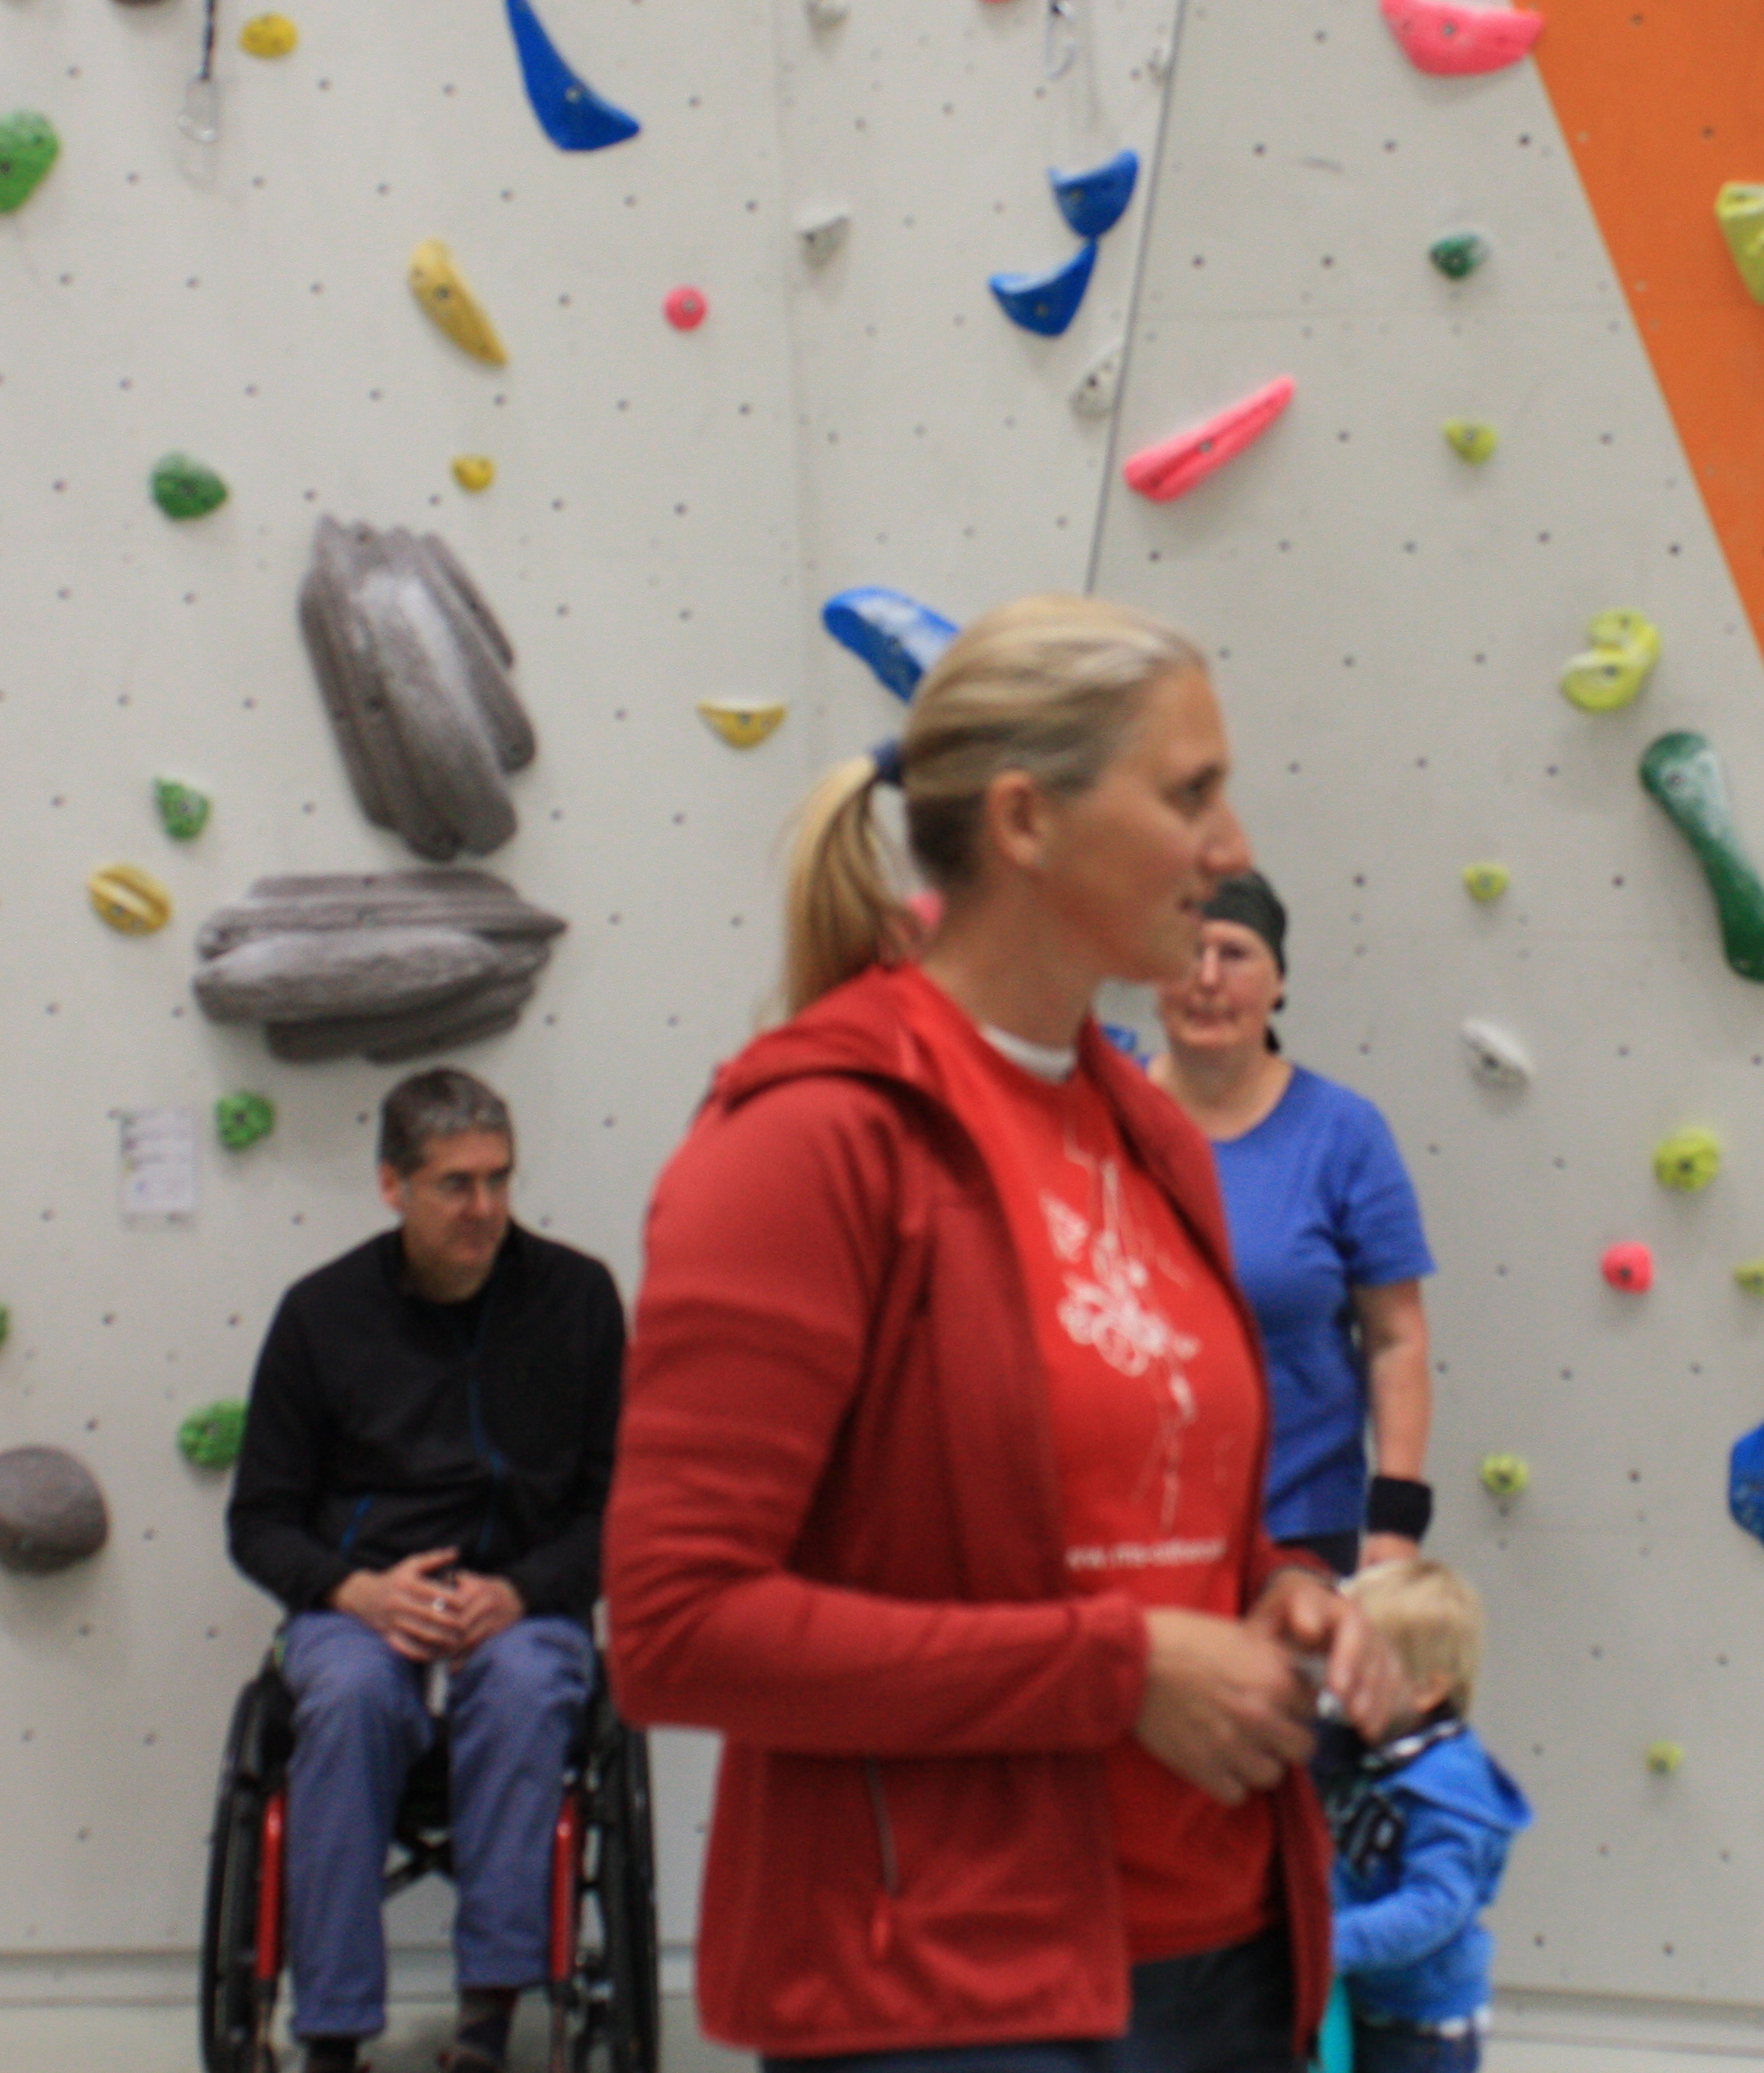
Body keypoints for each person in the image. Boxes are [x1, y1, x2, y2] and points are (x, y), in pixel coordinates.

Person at [604, 595, 1405, 2073]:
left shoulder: (1149, 1132)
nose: (1230, 844)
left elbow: (1142, 1520)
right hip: (947, 1990)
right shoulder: (813, 1139)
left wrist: (1279, 1592)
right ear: (1027, 819)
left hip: (1224, 1956)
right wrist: (1116, 1670)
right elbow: (675, 1631)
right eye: (1189, 794)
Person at [227, 1067, 629, 2073]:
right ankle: (331, 2032)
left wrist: (524, 1591)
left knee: (526, 1686)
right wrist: (355, 1591)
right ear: (391, 1185)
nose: (485, 1208)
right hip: (364, 1599)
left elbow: (619, 1506)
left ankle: (488, 2020)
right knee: (350, 1697)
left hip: (523, 1594)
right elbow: (259, 1521)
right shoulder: (320, 1314)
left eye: (499, 1179)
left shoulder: (578, 1299)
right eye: (456, 1183)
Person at [1146, 871, 1437, 1575]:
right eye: (1187, 952)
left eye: (1235, 954)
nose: (1207, 979)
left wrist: (1395, 1524)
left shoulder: (1342, 1133)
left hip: (1295, 1528)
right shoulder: (1096, 1108)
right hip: (1120, 1521)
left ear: (1278, 982)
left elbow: (1396, 1338)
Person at [1326, 1560, 1531, 2073]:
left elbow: (1435, 1906)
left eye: (1359, 1670)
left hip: (1422, 2034)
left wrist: (1330, 1940)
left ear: (1425, 1690)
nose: (1336, 1682)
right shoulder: (1371, 1748)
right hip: (1366, 1999)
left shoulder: (1449, 1790)